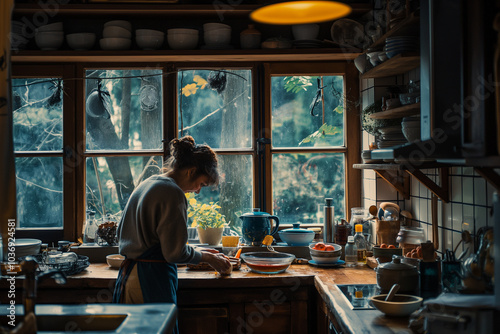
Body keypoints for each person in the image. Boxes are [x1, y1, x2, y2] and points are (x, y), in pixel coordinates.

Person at [113, 136, 231, 334]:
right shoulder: (172, 192)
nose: (197, 190)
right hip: (150, 281)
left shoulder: (150, 182)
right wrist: (210, 258)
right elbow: (174, 254)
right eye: (200, 184)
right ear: (191, 171)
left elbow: (127, 234)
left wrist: (199, 252)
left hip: (130, 277)